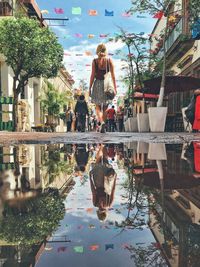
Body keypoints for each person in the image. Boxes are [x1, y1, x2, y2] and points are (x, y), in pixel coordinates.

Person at [89, 44, 117, 133]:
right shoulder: (109, 61)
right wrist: (115, 88)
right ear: (106, 51)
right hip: (106, 84)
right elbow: (113, 76)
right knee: (105, 107)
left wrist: (89, 87)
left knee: (97, 106)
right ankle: (103, 125)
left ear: (97, 51)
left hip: (97, 84)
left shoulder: (95, 61)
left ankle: (102, 122)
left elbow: (92, 75)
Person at [89, 145, 117, 221]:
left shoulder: (106, 203)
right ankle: (102, 145)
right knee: (101, 160)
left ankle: (103, 145)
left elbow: (113, 190)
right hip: (101, 181)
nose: (102, 207)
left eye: (101, 209)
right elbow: (94, 191)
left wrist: (114, 178)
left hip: (104, 181)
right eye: (102, 210)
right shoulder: (99, 203)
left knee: (102, 159)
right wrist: (90, 179)